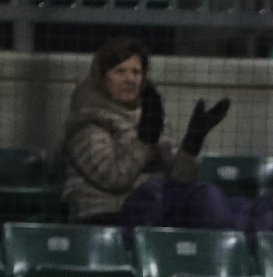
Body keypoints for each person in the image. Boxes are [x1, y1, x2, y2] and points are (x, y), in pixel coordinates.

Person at [61, 38, 236, 227]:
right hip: (109, 215)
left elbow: (181, 180)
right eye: (120, 71)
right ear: (103, 78)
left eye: (136, 72)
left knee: (207, 197)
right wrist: (145, 140)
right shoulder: (87, 124)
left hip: (156, 208)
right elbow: (114, 178)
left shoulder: (149, 115)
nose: (130, 79)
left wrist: (192, 142)